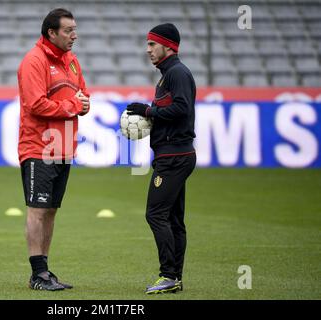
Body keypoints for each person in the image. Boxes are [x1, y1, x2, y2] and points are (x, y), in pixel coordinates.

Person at [17, 8, 90, 291]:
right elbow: (35, 104)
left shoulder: (72, 62)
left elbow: (82, 94)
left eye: (74, 29)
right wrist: (74, 106)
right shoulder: (33, 61)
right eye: (68, 30)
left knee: (51, 211)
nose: (74, 35)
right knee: (37, 209)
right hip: (38, 147)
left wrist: (84, 104)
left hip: (64, 147)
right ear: (51, 33)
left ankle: (45, 271)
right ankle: (37, 274)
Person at [126, 23, 196, 294]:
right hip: (175, 154)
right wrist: (149, 115)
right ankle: (174, 278)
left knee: (155, 214)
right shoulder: (168, 75)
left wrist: (148, 111)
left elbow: (181, 108)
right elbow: (173, 109)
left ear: (169, 46)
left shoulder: (177, 73)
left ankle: (168, 274)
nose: (148, 49)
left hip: (174, 157)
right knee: (174, 219)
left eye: (152, 44)